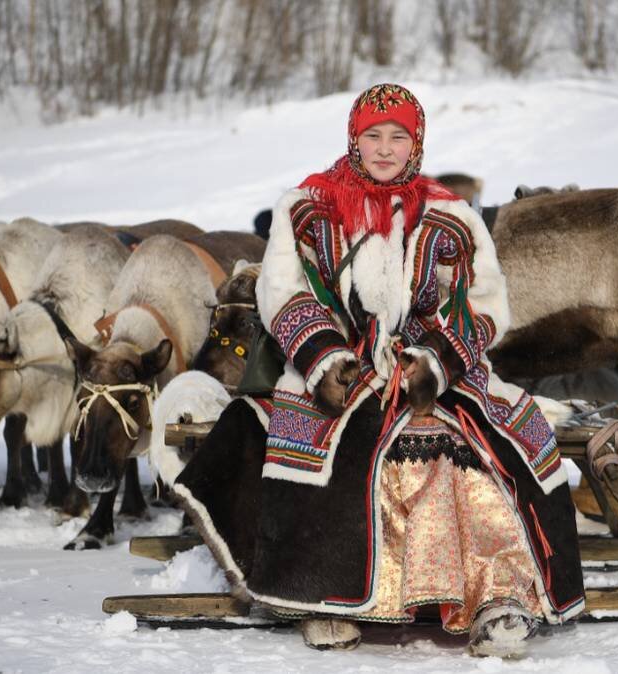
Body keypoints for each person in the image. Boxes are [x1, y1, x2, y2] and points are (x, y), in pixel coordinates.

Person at [173, 83, 584, 658]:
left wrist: (435, 361)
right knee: (322, 448)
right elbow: (284, 292)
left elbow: (485, 303)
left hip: (428, 369)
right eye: (373, 135)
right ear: (354, 138)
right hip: (332, 367)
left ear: (416, 143)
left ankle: (497, 598)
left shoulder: (451, 217)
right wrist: (324, 360)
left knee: (465, 443)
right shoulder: (307, 209)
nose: (386, 148)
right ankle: (322, 598)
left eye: (399, 136)